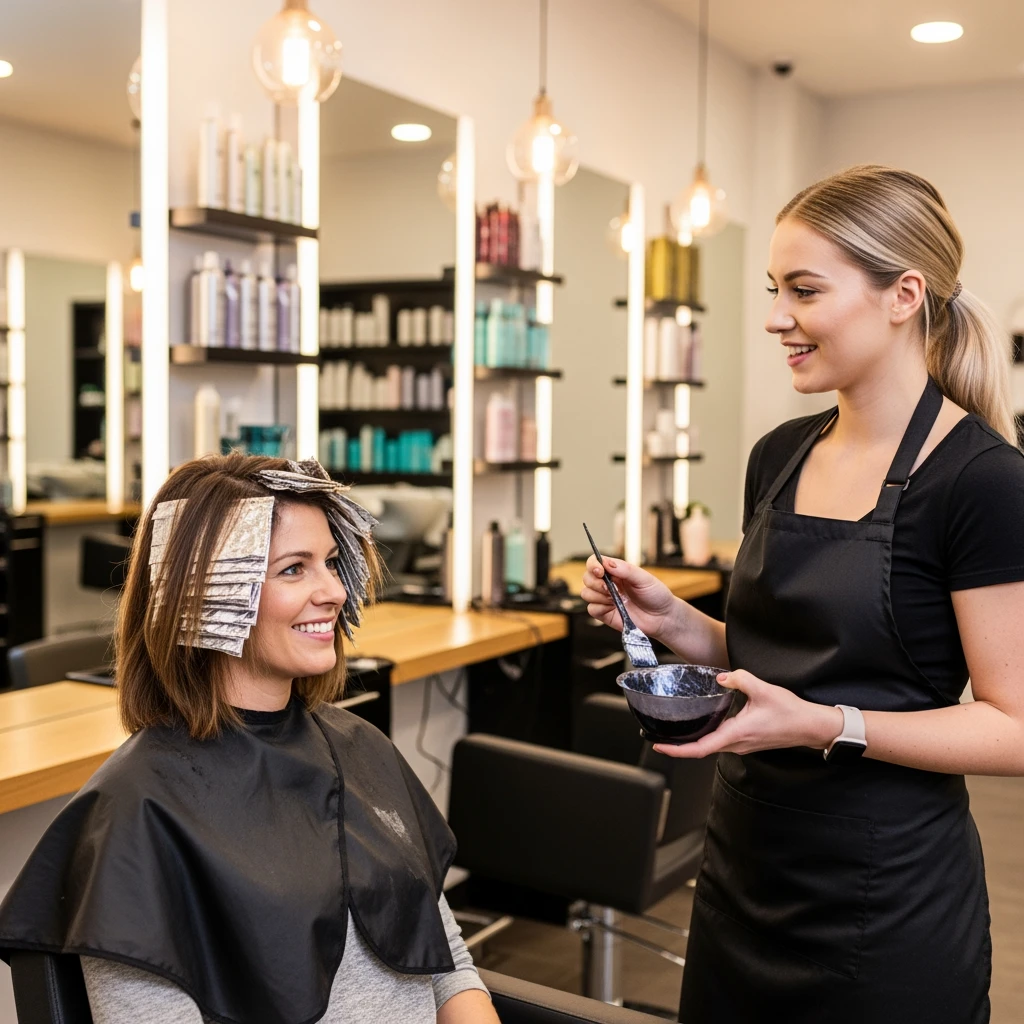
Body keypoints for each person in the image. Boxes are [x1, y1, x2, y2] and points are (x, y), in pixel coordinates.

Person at [582, 166, 1024, 1023]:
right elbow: (781, 661)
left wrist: (826, 725)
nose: (775, 316)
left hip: (886, 897)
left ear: (903, 296)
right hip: (744, 868)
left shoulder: (982, 482)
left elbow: (1014, 729)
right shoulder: (779, 455)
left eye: (805, 290)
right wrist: (676, 621)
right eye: (774, 289)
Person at [0, 455, 498, 1024]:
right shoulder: (139, 814)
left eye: (332, 562)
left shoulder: (362, 747)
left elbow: (447, 964)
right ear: (204, 594)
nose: (334, 591)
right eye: (294, 569)